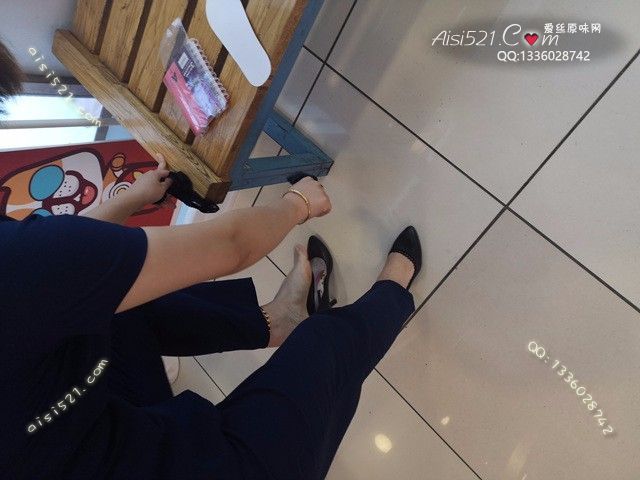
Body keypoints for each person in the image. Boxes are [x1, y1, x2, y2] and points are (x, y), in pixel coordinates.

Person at [0, 40, 422, 479]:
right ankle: (393, 294)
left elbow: (61, 271)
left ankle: (277, 320)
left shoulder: (24, 266)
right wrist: (298, 203)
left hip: (68, 423)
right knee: (324, 350)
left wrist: (130, 199)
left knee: (115, 303)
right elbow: (232, 245)